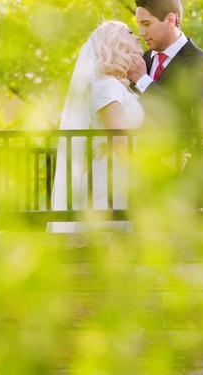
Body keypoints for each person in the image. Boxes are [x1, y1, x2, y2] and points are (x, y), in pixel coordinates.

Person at [127, 0, 203, 201]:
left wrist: (143, 80)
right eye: (139, 25)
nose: (141, 33)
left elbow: (185, 114)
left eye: (146, 24)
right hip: (139, 184)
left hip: (186, 186)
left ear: (170, 20)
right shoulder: (140, 61)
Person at [48, 21, 145, 232]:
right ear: (115, 42)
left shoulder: (123, 88)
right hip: (111, 186)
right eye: (129, 32)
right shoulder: (106, 87)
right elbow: (120, 142)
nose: (138, 36)